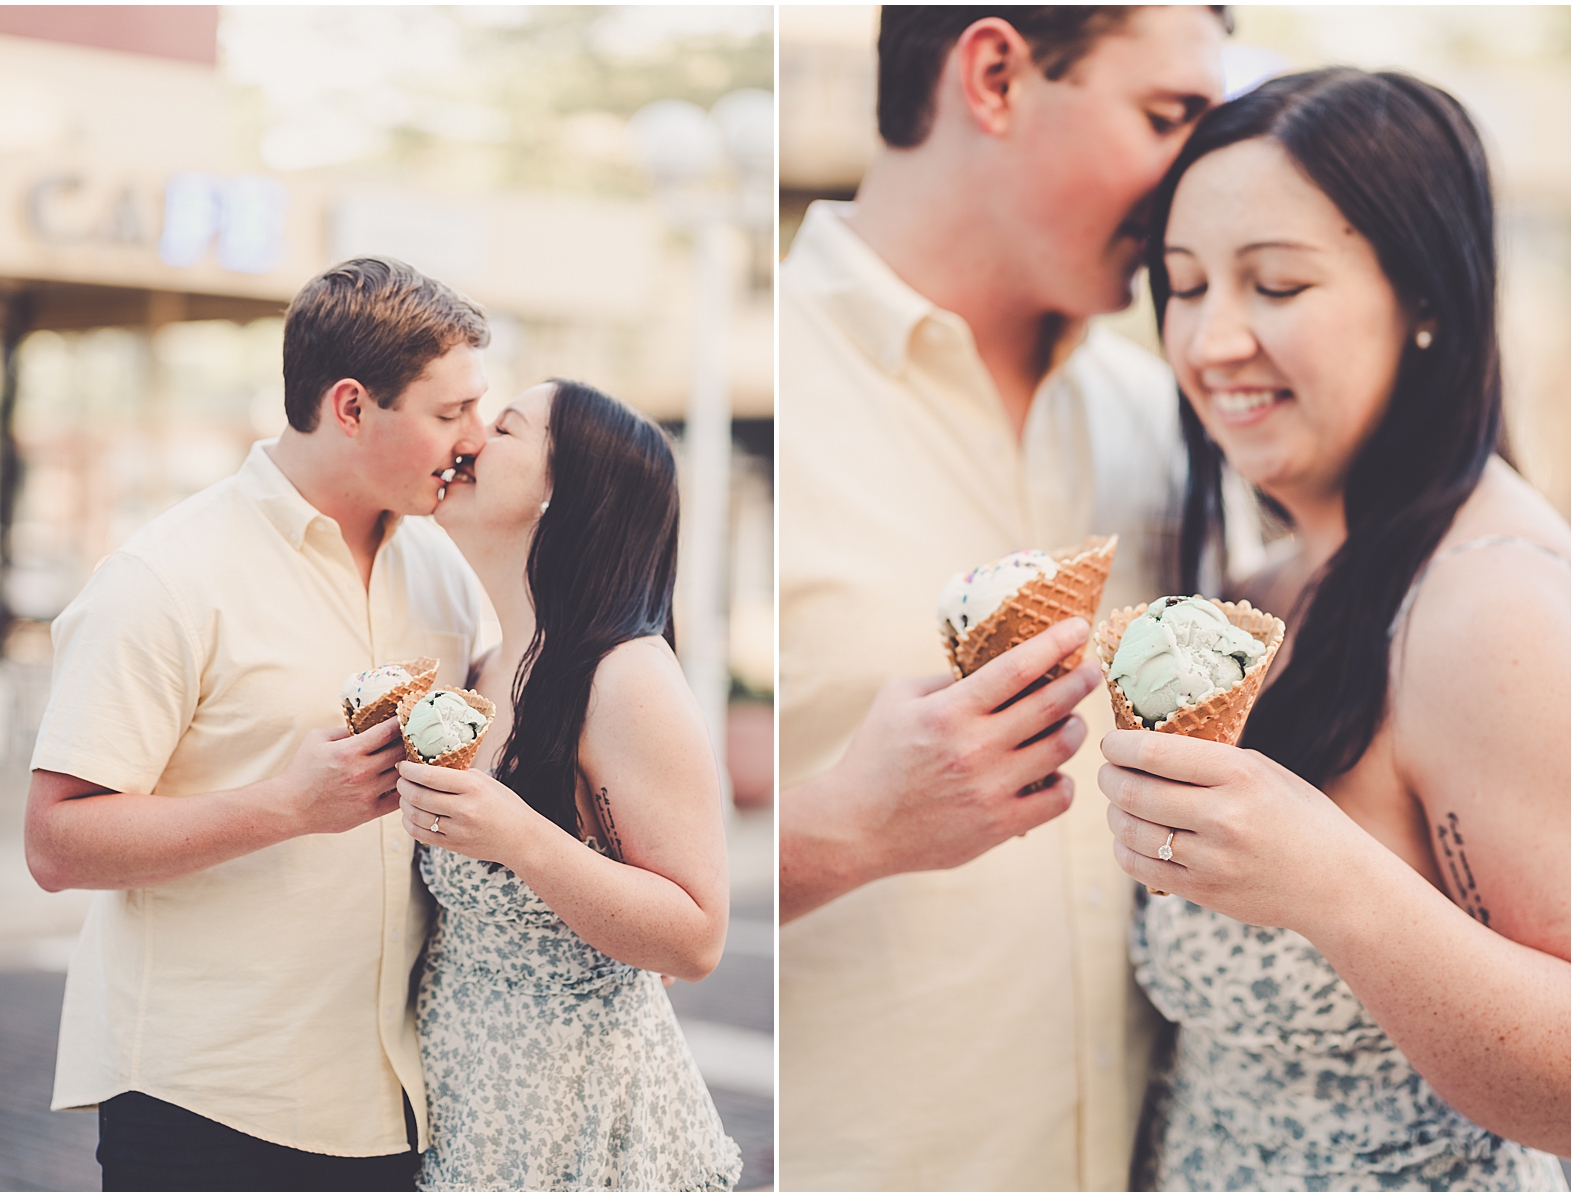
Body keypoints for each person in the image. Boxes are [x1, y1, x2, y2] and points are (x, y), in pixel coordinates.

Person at [779, 6, 1231, 1189]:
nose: (1198, 173)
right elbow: (546, 865)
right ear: (993, 75)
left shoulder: (1174, 413)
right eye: (1167, 116)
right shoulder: (747, 416)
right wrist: (845, 831)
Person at [1098, 68, 1570, 1190]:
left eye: (1274, 284)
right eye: (1183, 284)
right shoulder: (1266, 588)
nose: (1212, 341)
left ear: (1424, 298)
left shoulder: (1488, 607)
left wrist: (1330, 880)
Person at [24, 257, 493, 1190]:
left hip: (394, 1105)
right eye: (451, 414)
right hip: (209, 1101)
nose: (475, 439)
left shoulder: (444, 571)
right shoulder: (165, 577)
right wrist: (287, 804)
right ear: (351, 406)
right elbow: (55, 840)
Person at [392, 378, 742, 1191]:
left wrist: (516, 836)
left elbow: (696, 937)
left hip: (585, 1138)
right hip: (477, 1123)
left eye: (505, 427)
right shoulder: (487, 661)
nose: (470, 438)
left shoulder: (624, 678)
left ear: (565, 494)